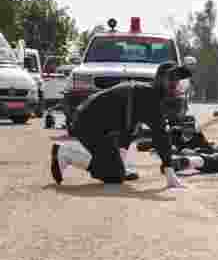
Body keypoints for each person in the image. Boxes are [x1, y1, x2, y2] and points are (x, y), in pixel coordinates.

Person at [50, 62, 192, 189]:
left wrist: (121, 161)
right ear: (160, 79)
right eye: (172, 78)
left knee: (118, 169)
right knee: (115, 175)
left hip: (97, 124)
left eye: (178, 79)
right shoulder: (151, 99)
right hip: (87, 123)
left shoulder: (147, 94)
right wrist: (170, 174)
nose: (176, 83)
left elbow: (129, 129)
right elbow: (161, 137)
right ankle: (66, 153)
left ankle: (112, 164)